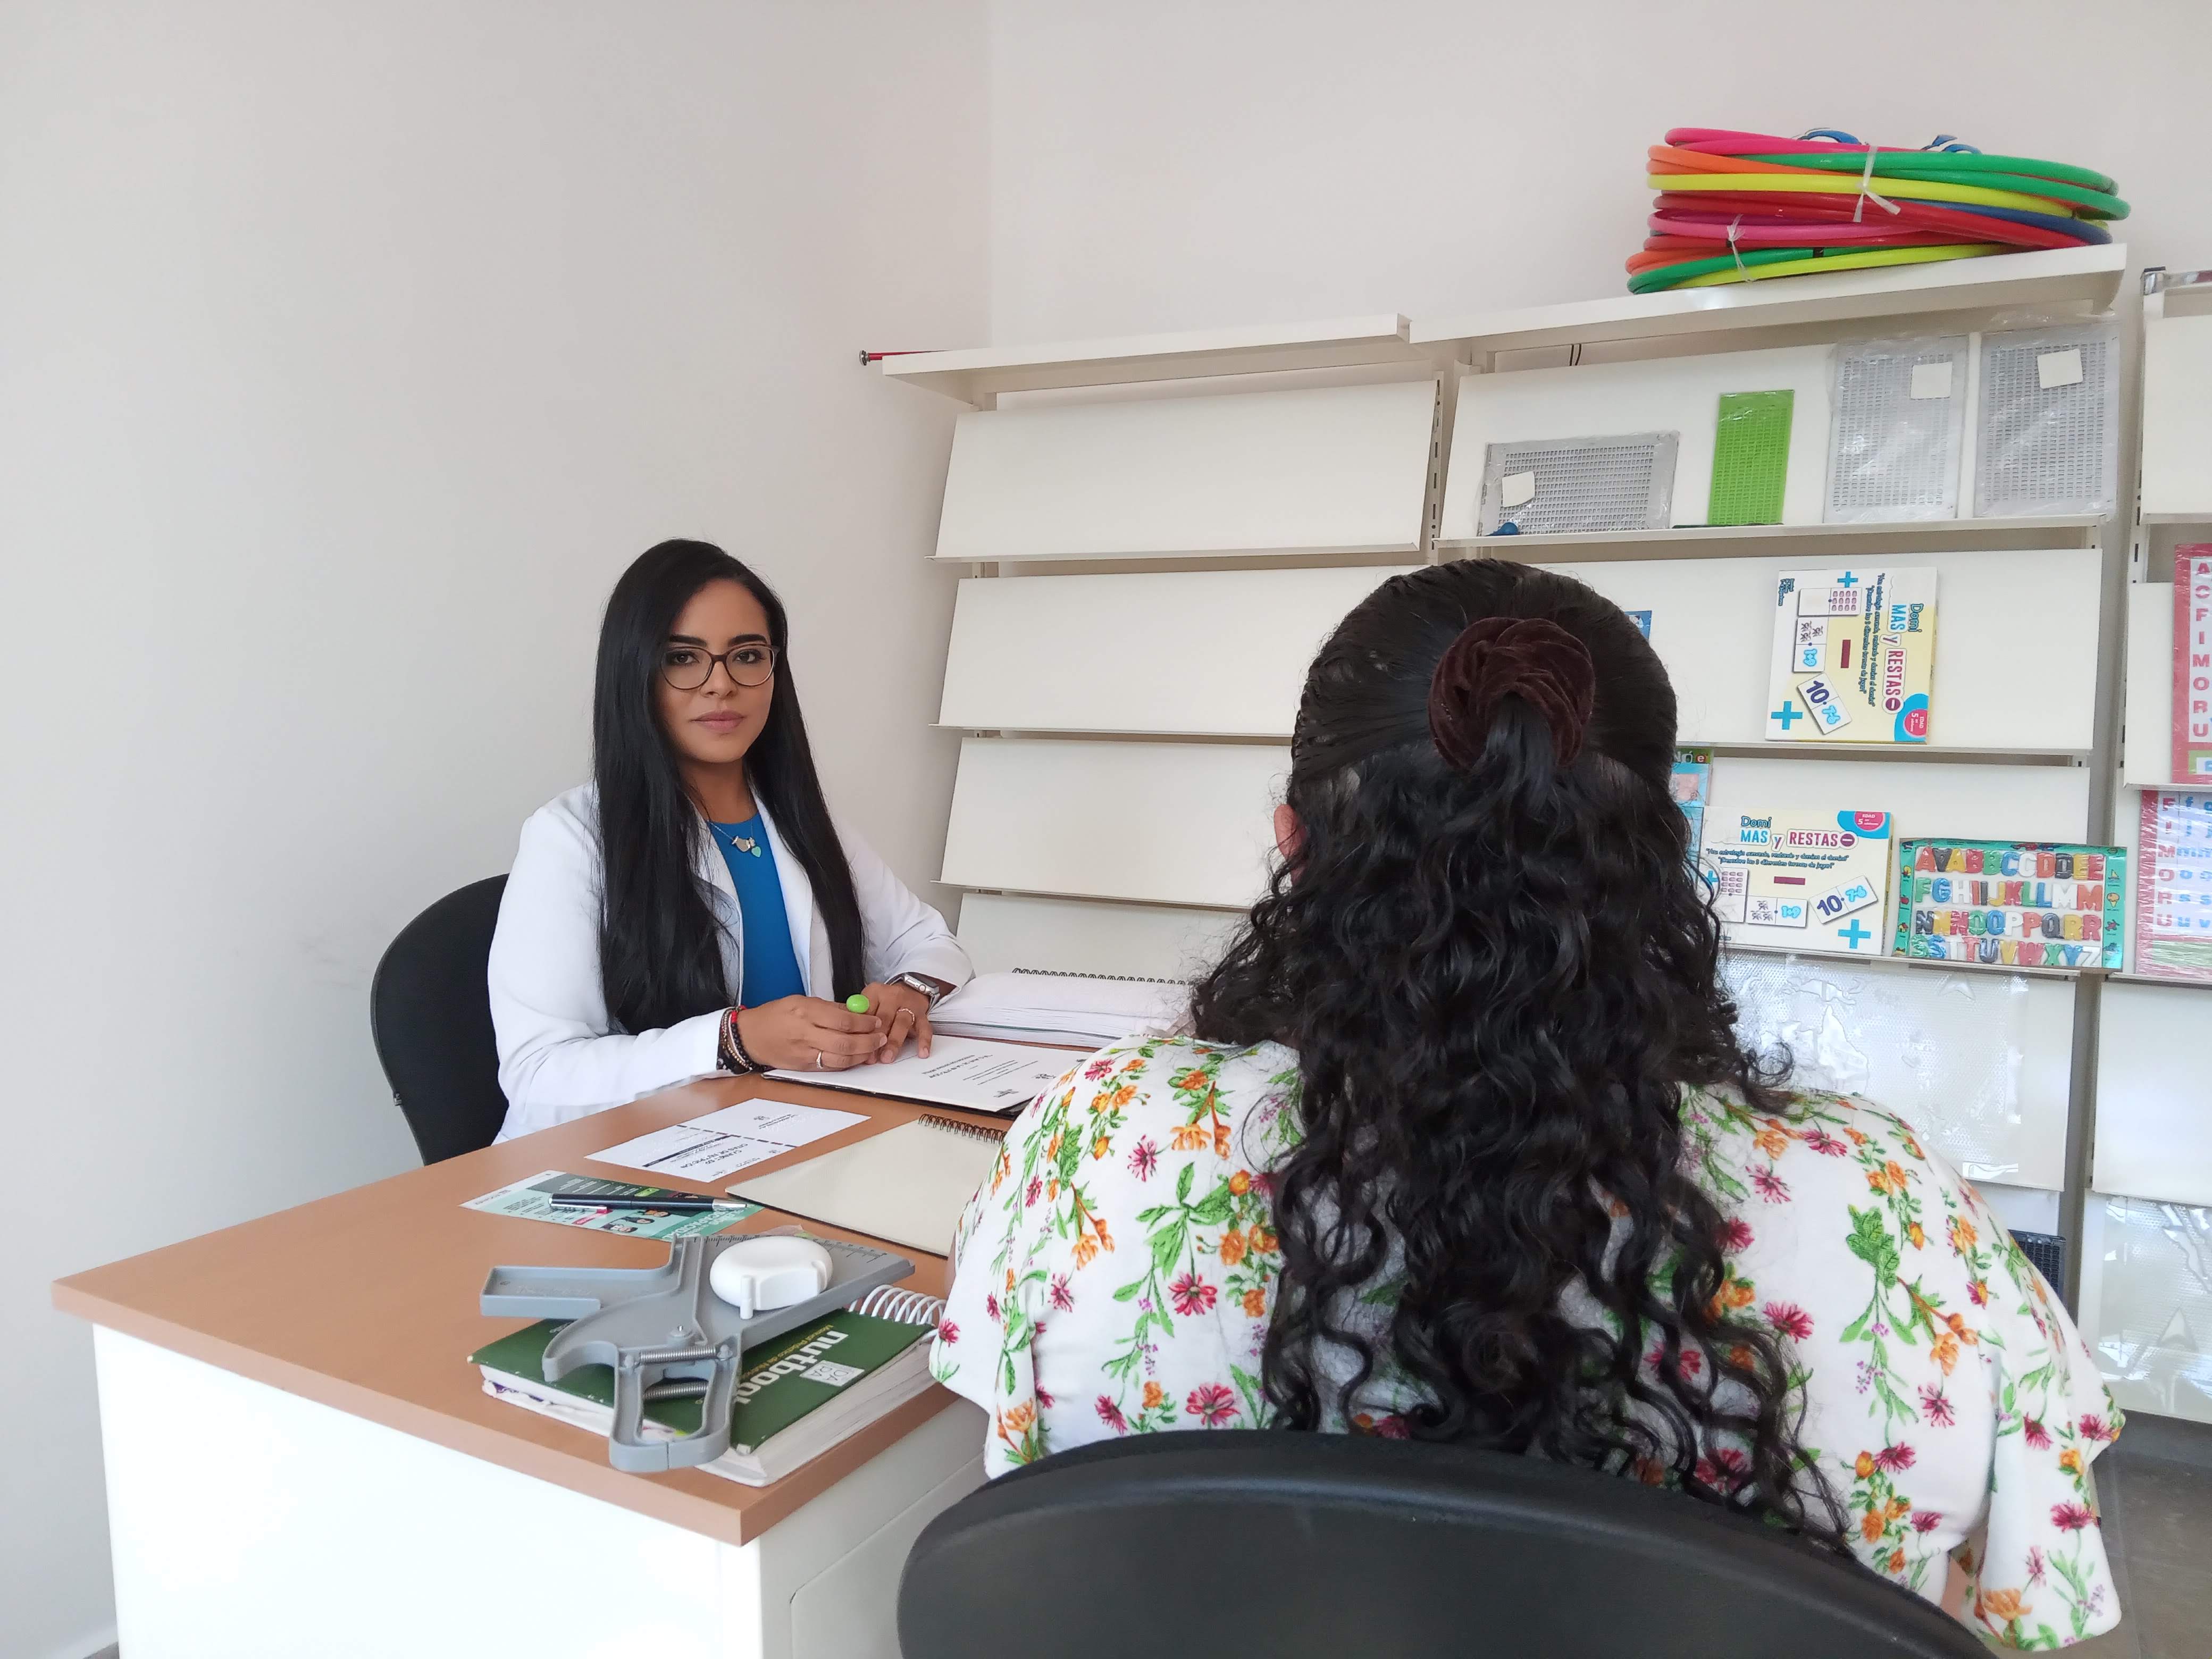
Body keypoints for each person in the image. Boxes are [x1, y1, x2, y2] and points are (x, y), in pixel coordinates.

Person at [934, 560, 2121, 1647]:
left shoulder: (1098, 1145)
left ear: (1294, 846)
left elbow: (1022, 1503)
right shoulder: (1896, 1215)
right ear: (1657, 859)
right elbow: (2008, 1608)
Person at [489, 539, 971, 1138]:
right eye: (683, 659)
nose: (720, 685)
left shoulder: (798, 819)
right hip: (626, 1164)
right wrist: (734, 1040)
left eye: (746, 655)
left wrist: (908, 992)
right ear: (634, 672)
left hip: (787, 1139)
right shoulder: (570, 839)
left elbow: (926, 939)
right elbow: (540, 1072)